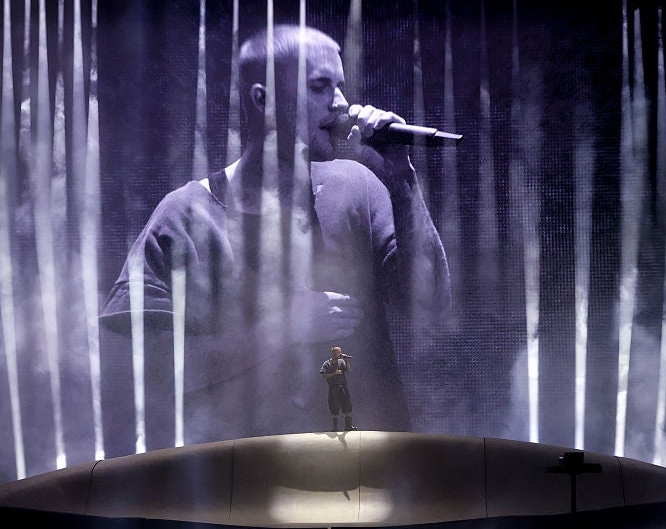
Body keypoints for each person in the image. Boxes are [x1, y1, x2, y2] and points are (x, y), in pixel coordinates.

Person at [100, 23, 451, 448]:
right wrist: (282, 329)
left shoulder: (358, 187)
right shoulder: (186, 215)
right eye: (320, 86)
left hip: (365, 466)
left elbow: (431, 302)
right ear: (262, 99)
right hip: (243, 474)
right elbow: (146, 369)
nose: (342, 104)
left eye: (340, 86)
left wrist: (401, 176)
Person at [320, 346, 356, 432]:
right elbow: (324, 375)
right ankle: (335, 428)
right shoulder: (327, 363)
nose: (339, 354)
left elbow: (348, 370)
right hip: (333, 387)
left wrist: (346, 361)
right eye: (337, 352)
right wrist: (334, 373)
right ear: (333, 353)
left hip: (343, 386)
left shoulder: (341, 361)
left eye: (340, 352)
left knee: (347, 405)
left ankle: (348, 426)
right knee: (334, 406)